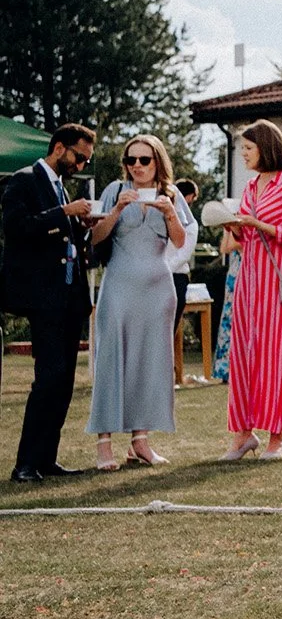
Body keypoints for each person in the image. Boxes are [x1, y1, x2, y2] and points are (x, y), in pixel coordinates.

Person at [83, 136, 189, 469]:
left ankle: (140, 441)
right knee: (111, 358)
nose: (137, 166)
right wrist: (116, 210)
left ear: (158, 161)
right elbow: (95, 238)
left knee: (150, 363)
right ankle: (104, 444)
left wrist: (170, 213)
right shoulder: (115, 190)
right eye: (131, 160)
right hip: (118, 286)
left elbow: (180, 241)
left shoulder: (170, 194)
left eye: (145, 160)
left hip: (158, 290)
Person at [5, 123, 96, 483]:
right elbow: (16, 228)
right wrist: (64, 212)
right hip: (42, 297)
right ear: (59, 148)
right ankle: (25, 463)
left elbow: (64, 241)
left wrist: (82, 225)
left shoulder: (61, 188)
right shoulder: (24, 180)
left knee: (64, 381)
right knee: (48, 378)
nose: (81, 165)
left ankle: (47, 459)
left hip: (68, 297)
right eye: (79, 157)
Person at [220, 119, 282, 462]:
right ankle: (244, 434)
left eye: (248, 148)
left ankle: (277, 436)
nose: (243, 154)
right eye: (242, 148)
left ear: (266, 147)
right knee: (245, 352)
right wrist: (234, 227)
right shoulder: (249, 186)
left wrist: (257, 223)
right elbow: (246, 238)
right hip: (250, 277)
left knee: (277, 354)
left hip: (279, 276)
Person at [167, 177, 201, 377]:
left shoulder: (190, 224)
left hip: (175, 276)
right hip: (155, 276)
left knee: (169, 329)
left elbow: (184, 253)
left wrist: (163, 269)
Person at [212, 227, 237, 384]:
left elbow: (235, 245)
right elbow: (224, 248)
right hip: (234, 274)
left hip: (245, 273)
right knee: (229, 320)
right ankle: (225, 368)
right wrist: (228, 230)